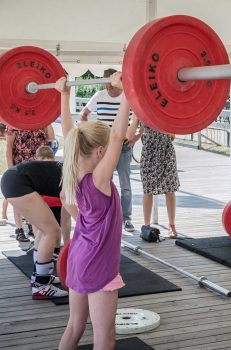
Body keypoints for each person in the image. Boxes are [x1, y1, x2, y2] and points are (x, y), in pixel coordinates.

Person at [57, 72, 130, 349]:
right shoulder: (99, 182)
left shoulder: (74, 174)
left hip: (77, 258)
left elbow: (70, 134)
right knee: (104, 336)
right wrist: (127, 94)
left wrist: (63, 95)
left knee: (74, 327)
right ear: (100, 152)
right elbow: (118, 136)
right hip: (99, 265)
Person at [1, 158, 68, 299]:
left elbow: (66, 215)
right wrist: (69, 246)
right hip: (17, 182)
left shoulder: (74, 169)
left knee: (46, 230)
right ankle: (41, 285)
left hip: (13, 179)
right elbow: (68, 216)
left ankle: (39, 277)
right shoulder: (79, 177)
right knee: (51, 231)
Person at [80, 69, 137, 232]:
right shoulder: (98, 96)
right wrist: (87, 131)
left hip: (123, 147)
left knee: (125, 184)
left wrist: (133, 135)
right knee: (104, 183)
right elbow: (83, 114)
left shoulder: (128, 97)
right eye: (105, 83)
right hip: (103, 148)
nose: (107, 86)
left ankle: (126, 218)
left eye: (110, 83)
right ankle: (107, 216)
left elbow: (137, 117)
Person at [130, 119, 180, 238]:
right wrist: (137, 130)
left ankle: (172, 225)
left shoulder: (164, 112)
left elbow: (173, 136)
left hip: (166, 151)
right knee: (148, 190)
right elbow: (131, 133)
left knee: (170, 189)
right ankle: (147, 226)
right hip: (149, 152)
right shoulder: (140, 111)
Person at [5, 124, 56, 241]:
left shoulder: (43, 121)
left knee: (37, 198)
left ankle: (33, 226)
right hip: (20, 166)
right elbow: (8, 147)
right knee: (19, 197)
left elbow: (51, 140)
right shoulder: (14, 124)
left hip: (39, 167)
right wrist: (10, 168)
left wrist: (48, 122)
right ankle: (19, 229)